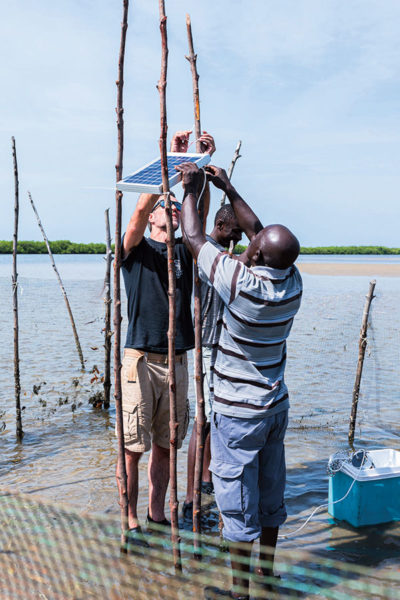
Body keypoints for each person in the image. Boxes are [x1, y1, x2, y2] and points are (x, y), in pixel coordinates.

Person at [177, 161, 302, 600]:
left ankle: (240, 593)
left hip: (238, 414)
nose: (249, 246)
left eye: (254, 248)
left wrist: (191, 190)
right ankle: (268, 578)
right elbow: (262, 233)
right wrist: (228, 186)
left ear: (258, 256)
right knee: (270, 498)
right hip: (274, 409)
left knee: (235, 503)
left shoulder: (241, 283)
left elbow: (194, 239)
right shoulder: (292, 282)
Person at [116, 130, 216, 546]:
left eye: (175, 204)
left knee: (166, 446)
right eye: (166, 204)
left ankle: (157, 515)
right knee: (133, 448)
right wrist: (172, 158)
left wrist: (200, 165)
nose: (172, 207)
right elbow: (139, 209)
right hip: (140, 361)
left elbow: (201, 214)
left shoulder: (185, 251)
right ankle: (130, 522)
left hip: (175, 362)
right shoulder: (135, 249)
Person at [183, 205, 243, 520]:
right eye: (235, 232)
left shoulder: (219, 251)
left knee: (215, 421)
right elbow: (235, 262)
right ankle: (193, 492)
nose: (238, 238)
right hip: (206, 344)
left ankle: (206, 481)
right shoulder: (206, 252)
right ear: (220, 225)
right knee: (202, 423)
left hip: (218, 345)